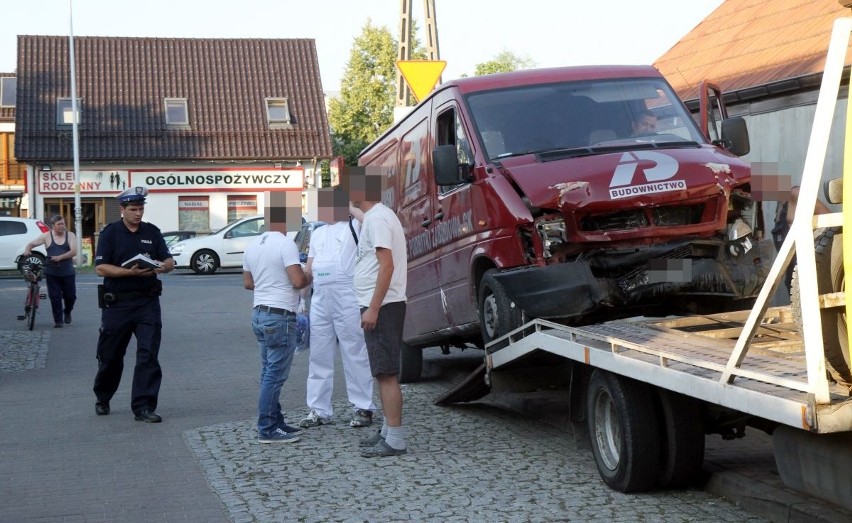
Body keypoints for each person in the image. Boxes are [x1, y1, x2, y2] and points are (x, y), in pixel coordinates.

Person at [92, 187, 175, 422]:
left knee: (148, 354)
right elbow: (100, 268)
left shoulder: (151, 232)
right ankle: (103, 396)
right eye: (133, 209)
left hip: (147, 302)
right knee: (111, 356)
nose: (138, 214)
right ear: (123, 209)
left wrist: (165, 266)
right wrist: (128, 272)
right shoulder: (111, 233)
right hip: (117, 304)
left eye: (141, 209)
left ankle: (144, 407)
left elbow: (168, 259)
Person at [299, 188, 377, 429]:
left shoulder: (355, 226)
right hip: (321, 297)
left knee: (354, 351)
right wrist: (301, 299)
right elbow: (309, 270)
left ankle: (363, 406)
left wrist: (350, 208)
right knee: (319, 354)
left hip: (347, 295)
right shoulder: (318, 233)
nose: (323, 210)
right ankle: (319, 409)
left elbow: (371, 221)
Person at [351, 170, 409, 458]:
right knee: (381, 371)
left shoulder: (377, 219)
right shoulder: (377, 216)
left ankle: (395, 439)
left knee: (386, 373)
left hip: (383, 306)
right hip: (381, 304)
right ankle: (388, 432)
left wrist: (373, 307)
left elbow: (386, 266)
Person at [243, 196, 310, 444]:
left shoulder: (252, 245)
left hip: (259, 312)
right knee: (275, 375)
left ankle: (276, 420)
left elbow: (248, 283)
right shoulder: (285, 244)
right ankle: (267, 428)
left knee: (268, 371)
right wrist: (307, 274)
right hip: (280, 315)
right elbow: (297, 281)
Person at [23, 214, 77, 328]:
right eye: (59, 224)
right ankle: (58, 321)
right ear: (53, 226)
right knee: (55, 297)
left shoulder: (70, 235)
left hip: (67, 271)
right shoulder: (46, 236)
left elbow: (73, 252)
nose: (62, 226)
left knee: (70, 296)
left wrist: (60, 257)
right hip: (52, 272)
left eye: (63, 223)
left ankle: (67, 311)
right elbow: (31, 244)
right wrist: (27, 250)